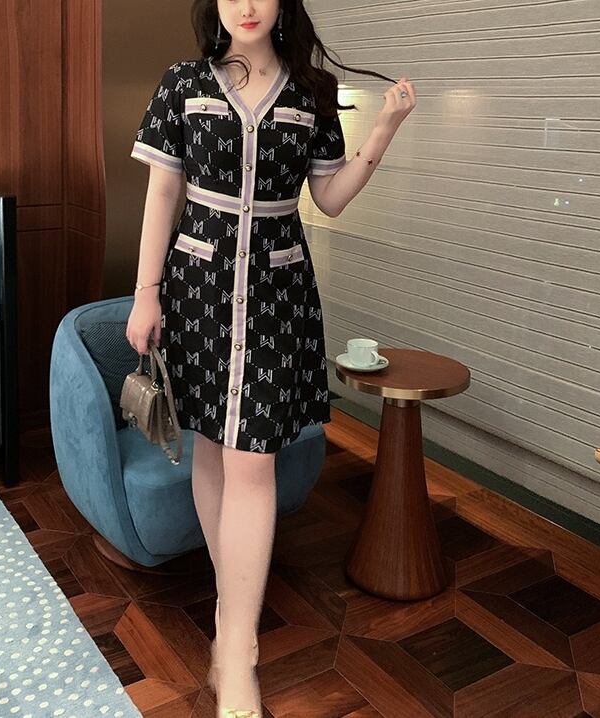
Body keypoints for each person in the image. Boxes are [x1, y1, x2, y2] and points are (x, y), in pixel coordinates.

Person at [126, 1, 415, 715]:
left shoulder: (312, 93)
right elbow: (163, 191)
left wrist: (382, 132)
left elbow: (330, 198)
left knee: (253, 459)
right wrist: (145, 294)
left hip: (277, 295)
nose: (247, 6)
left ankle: (237, 649)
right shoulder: (183, 83)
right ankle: (234, 605)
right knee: (210, 447)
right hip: (196, 290)